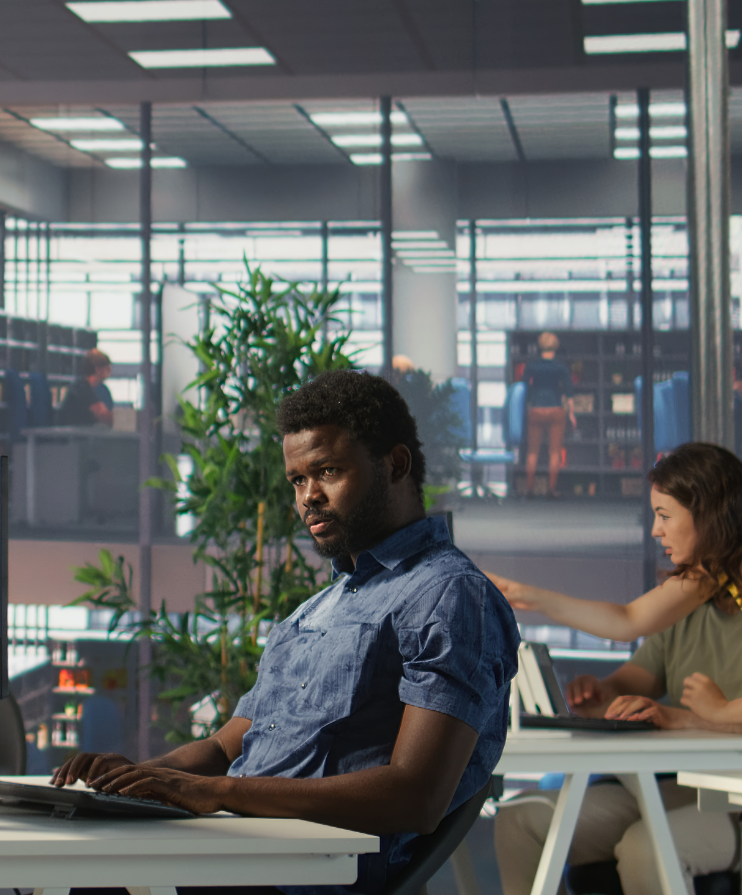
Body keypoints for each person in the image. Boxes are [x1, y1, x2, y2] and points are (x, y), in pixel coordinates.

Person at [52, 369, 518, 895]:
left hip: (298, 872)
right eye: (298, 480)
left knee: (77, 880)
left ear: (396, 464)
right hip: (235, 850)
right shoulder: (315, 610)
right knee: (59, 862)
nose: (308, 497)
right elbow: (226, 746)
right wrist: (131, 783)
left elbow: (418, 795)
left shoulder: (450, 595)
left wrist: (219, 793)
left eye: (328, 471)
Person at [491, 443, 742, 895]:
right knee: (520, 821)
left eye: (665, 516)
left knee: (647, 849)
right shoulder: (698, 588)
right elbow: (630, 638)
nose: (654, 531)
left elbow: (625, 624)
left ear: (708, 514)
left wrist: (716, 712)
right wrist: (600, 695)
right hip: (678, 789)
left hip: (731, 803)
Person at [521, 332, 574, 494]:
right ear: (556, 347)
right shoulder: (560, 367)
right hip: (555, 409)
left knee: (532, 452)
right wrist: (571, 414)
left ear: (540, 346)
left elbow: (524, 389)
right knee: (554, 452)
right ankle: (551, 489)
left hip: (535, 409)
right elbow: (569, 393)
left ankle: (529, 489)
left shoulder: (531, 366)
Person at [59, 350, 115, 427]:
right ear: (98, 369)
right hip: (72, 436)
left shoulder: (84, 386)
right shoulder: (82, 389)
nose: (110, 371)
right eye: (107, 368)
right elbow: (103, 416)